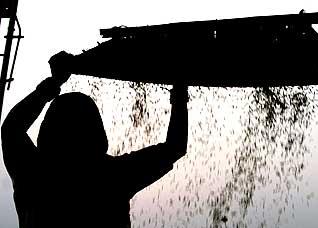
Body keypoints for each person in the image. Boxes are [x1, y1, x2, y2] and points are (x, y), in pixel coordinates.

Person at [1, 51, 188, 228]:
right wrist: (179, 94)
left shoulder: (32, 171)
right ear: (97, 132)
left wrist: (52, 85)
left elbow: (11, 128)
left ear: (47, 131)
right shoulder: (112, 175)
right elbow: (175, 147)